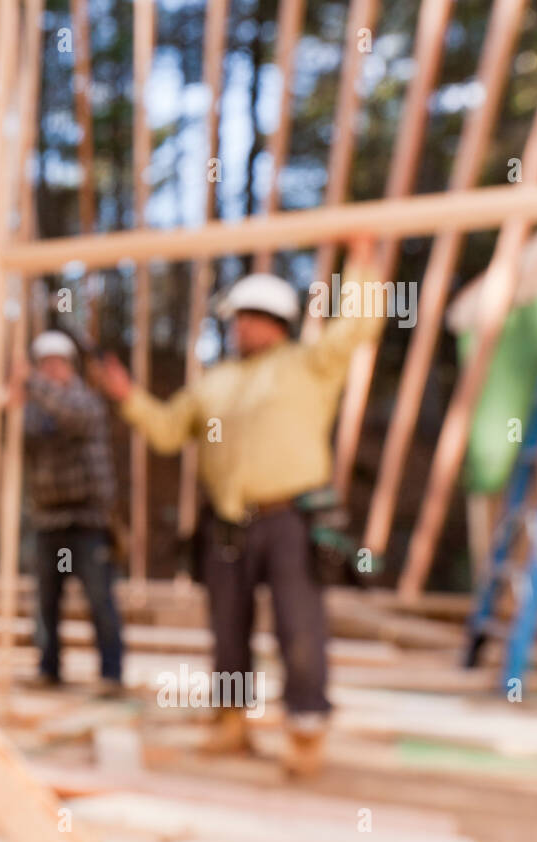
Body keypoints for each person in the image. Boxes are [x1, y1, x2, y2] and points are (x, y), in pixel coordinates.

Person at [99, 273, 385, 776]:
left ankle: (305, 729)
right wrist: (128, 397)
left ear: (275, 323)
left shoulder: (308, 365)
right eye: (236, 320)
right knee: (227, 629)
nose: (240, 329)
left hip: (290, 519)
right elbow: (167, 431)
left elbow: (359, 323)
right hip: (227, 522)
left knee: (300, 628)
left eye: (249, 319)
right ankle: (230, 723)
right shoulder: (215, 382)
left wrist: (362, 261)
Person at [10, 330, 123, 698]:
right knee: (46, 601)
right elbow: (14, 438)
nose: (50, 371)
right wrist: (8, 406)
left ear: (69, 366)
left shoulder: (85, 401)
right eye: (44, 365)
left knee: (99, 599)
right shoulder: (34, 409)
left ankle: (111, 674)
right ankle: (49, 669)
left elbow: (72, 417)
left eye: (56, 364)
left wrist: (30, 383)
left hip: (88, 522)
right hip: (48, 522)